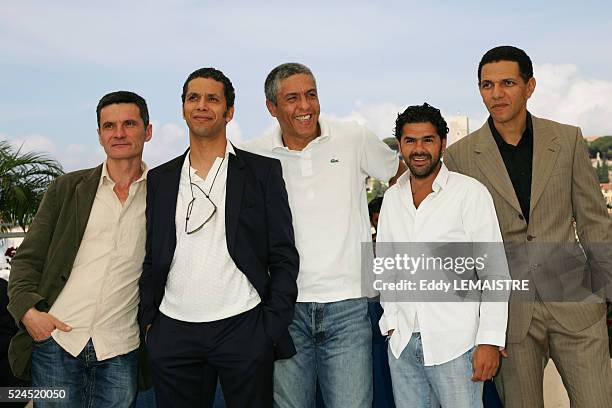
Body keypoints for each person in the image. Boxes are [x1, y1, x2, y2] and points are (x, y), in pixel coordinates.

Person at [444, 45, 612, 407]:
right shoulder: (459, 156)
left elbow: (595, 221)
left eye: (507, 83)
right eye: (487, 85)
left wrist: (605, 295)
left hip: (577, 303)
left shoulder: (566, 139)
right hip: (508, 316)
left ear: (529, 86)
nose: (496, 93)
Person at [243, 62, 404, 407]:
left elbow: (399, 174)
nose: (305, 106)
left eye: (311, 94)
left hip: (349, 305)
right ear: (272, 108)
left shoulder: (353, 137)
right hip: (285, 309)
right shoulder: (252, 154)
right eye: (292, 98)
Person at [139, 67, 298, 408]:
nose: (202, 106)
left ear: (229, 112)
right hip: (173, 332)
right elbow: (152, 255)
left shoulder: (262, 172)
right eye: (193, 98)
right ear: (183, 108)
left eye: (213, 99)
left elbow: (283, 254)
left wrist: (268, 328)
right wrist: (151, 324)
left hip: (244, 327)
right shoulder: (160, 179)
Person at [7, 91, 153, 407]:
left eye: (129, 123)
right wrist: (30, 314)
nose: (119, 133)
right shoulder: (68, 188)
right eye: (109, 126)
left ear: (148, 130)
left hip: (121, 348)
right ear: (100, 135)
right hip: (56, 342)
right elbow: (27, 260)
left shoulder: (163, 195)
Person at [377, 103, 509, 408]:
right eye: (410, 141)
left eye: (428, 140)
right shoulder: (393, 198)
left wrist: (489, 340)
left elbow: (494, 273)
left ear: (443, 143)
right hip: (403, 345)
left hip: (457, 345)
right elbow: (387, 268)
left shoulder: (470, 193)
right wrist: (393, 324)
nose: (419, 149)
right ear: (399, 145)